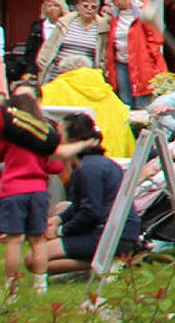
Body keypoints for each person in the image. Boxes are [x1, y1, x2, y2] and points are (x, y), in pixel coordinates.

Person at [37, 111, 136, 274]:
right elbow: (79, 205)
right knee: (61, 207)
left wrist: (61, 231)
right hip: (116, 229)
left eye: (60, 135)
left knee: (34, 260)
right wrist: (59, 219)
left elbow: (91, 212)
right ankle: (99, 261)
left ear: (74, 141)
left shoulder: (89, 169)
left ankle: (106, 262)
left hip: (109, 234)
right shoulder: (93, 163)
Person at [0, 83, 61, 295]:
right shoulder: (44, 133)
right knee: (38, 240)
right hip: (39, 190)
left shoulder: (10, 132)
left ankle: (10, 287)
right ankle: (40, 285)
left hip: (13, 189)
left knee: (14, 241)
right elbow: (56, 166)